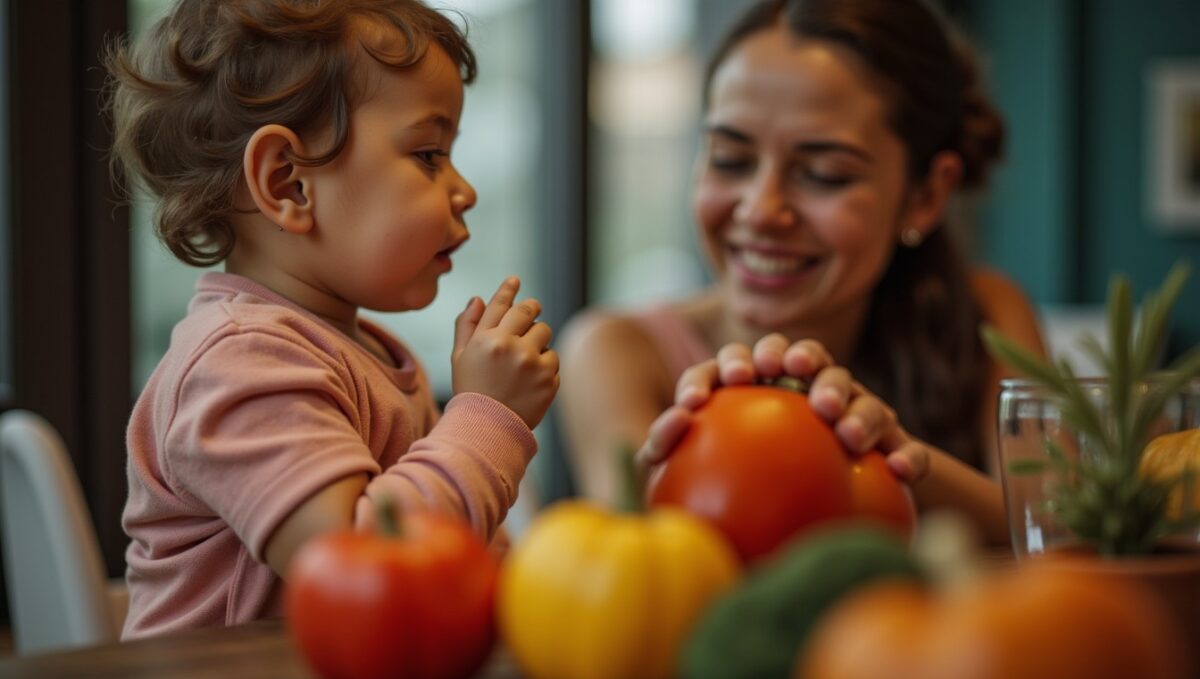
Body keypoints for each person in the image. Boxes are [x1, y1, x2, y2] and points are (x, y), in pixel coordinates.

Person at [106, 0, 559, 639]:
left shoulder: (361, 351)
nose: (465, 190)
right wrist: (489, 416)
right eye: (429, 154)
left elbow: (457, 561)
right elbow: (365, 564)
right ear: (288, 182)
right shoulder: (239, 362)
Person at [560, 0, 1045, 545]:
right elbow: (641, 562)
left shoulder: (987, 315)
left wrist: (895, 453)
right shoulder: (617, 350)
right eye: (730, 159)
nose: (761, 210)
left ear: (926, 195)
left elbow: (1058, 528)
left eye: (824, 174)